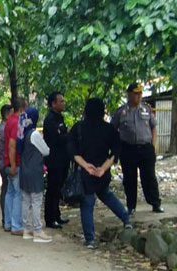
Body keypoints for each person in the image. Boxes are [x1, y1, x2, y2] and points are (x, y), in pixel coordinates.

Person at [69, 98, 132, 248]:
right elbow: (116, 150)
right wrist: (103, 168)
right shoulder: (109, 129)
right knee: (106, 195)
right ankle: (126, 220)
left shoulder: (78, 128)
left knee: (87, 203)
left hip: (86, 173)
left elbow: (72, 151)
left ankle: (90, 239)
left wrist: (86, 166)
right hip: (102, 172)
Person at [111, 82, 163, 214]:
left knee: (149, 177)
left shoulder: (146, 109)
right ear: (129, 94)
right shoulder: (121, 112)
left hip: (145, 148)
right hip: (128, 149)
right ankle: (131, 206)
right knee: (129, 178)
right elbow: (113, 129)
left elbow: (153, 127)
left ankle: (155, 203)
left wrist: (153, 144)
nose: (138, 96)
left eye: (140, 93)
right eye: (135, 93)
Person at [19, 108, 52, 243]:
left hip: (24, 170)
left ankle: (27, 229)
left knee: (26, 200)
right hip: (35, 171)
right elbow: (46, 151)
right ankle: (38, 231)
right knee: (37, 200)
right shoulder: (34, 134)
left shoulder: (22, 133)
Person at [43, 91, 70, 229]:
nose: (63, 103)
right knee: (52, 188)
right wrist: (68, 135)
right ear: (54, 104)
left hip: (63, 158)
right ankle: (50, 218)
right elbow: (57, 139)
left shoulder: (60, 118)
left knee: (58, 189)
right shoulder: (50, 120)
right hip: (54, 160)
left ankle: (56, 215)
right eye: (61, 101)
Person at [4, 98, 26, 235]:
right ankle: (16, 225)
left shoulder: (8, 122)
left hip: (8, 161)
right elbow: (12, 145)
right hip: (15, 163)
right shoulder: (17, 122)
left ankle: (8, 223)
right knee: (18, 194)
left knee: (10, 193)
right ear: (22, 109)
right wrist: (13, 165)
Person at [0, 105, 13, 227]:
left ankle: (6, 219)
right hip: (5, 162)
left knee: (7, 189)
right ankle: (6, 219)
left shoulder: (3, 126)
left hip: (3, 161)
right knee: (7, 190)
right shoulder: (4, 128)